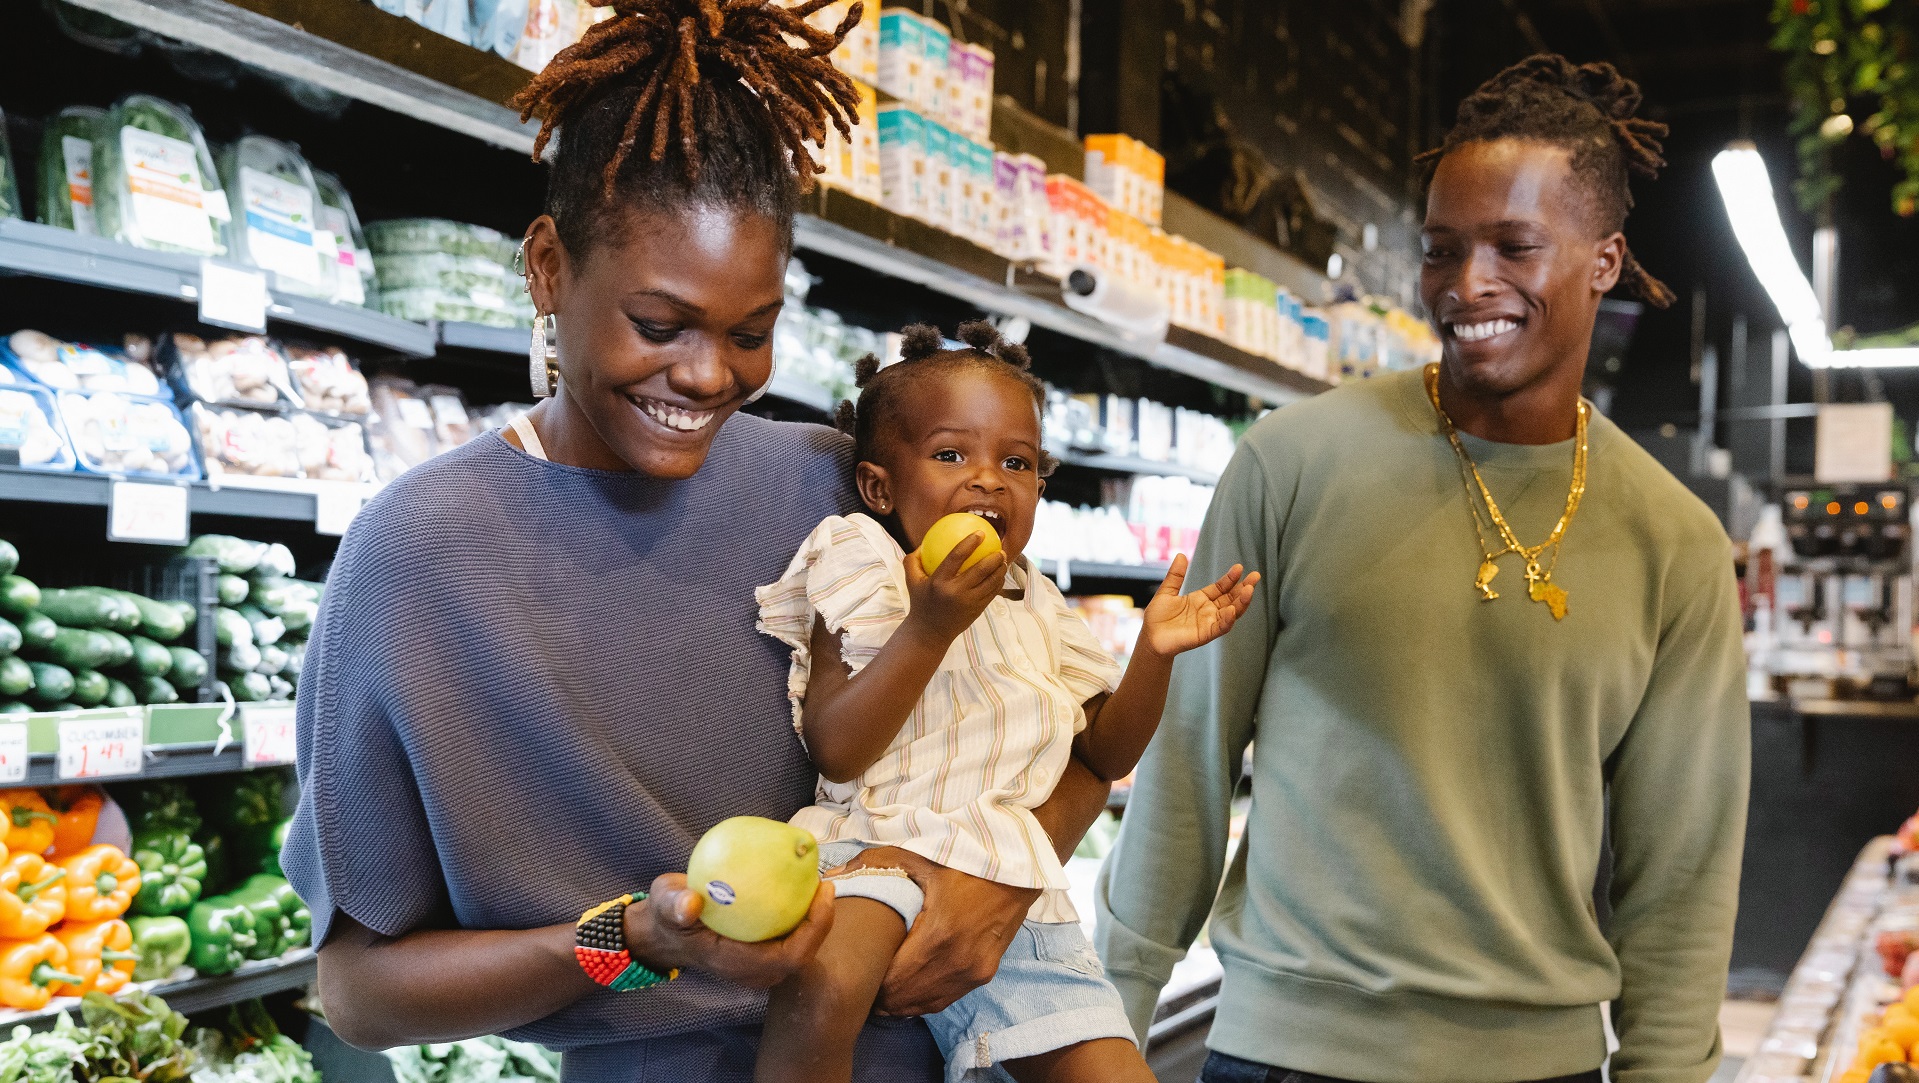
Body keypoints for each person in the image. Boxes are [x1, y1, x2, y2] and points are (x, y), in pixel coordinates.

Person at [282, 4, 1113, 1080]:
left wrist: (1006, 879)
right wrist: (630, 945)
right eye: (659, 324)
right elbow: (357, 994)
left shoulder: (831, 484)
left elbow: (1048, 715)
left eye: (749, 332)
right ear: (547, 268)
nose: (709, 376)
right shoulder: (419, 555)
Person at [1095, 54, 1750, 1083]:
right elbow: (1187, 764)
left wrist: (1662, 1073)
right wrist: (1098, 1020)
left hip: (1537, 1065)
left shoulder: (1674, 544)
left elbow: (1682, 870)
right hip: (1280, 1054)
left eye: (1513, 246)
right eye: (1441, 250)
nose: (1466, 284)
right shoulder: (1289, 463)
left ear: (1603, 260)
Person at [750, 322, 1259, 1083]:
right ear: (879, 486)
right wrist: (929, 625)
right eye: (951, 453)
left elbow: (1105, 754)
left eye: (1016, 461)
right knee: (821, 990)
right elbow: (836, 744)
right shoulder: (860, 556)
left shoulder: (1040, 602)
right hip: (875, 853)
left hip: (1016, 881)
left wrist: (1153, 657)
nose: (988, 478)